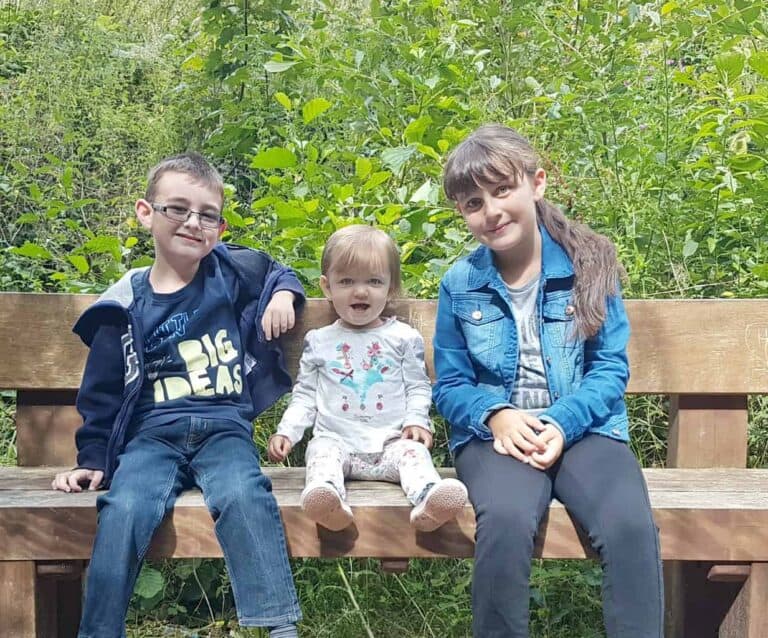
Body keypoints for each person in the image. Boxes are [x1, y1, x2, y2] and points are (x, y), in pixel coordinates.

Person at [51, 153, 303, 638]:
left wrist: (282, 296)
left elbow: (277, 271)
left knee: (244, 494)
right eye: (178, 209)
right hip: (153, 437)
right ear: (146, 212)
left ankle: (279, 626)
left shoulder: (228, 273)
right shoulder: (125, 303)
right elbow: (101, 393)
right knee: (125, 505)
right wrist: (93, 458)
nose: (193, 222)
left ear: (221, 227)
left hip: (225, 430)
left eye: (207, 214)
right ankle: (99, 631)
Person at [433, 124, 663, 638]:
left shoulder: (589, 266)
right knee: (508, 522)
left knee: (629, 526)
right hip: (497, 438)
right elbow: (449, 385)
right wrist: (496, 414)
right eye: (473, 203)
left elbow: (608, 370)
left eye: (501, 190)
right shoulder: (460, 283)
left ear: (535, 183)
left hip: (585, 428)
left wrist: (560, 422)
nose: (491, 211)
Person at [268, 225, 467, 532]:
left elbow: (417, 387)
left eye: (374, 281)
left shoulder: (403, 337)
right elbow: (305, 396)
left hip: (391, 445)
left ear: (390, 289)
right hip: (338, 445)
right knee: (320, 453)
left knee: (415, 454)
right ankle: (329, 503)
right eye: (346, 281)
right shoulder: (319, 341)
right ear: (326, 286)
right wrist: (288, 432)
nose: (360, 291)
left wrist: (417, 421)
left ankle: (428, 501)